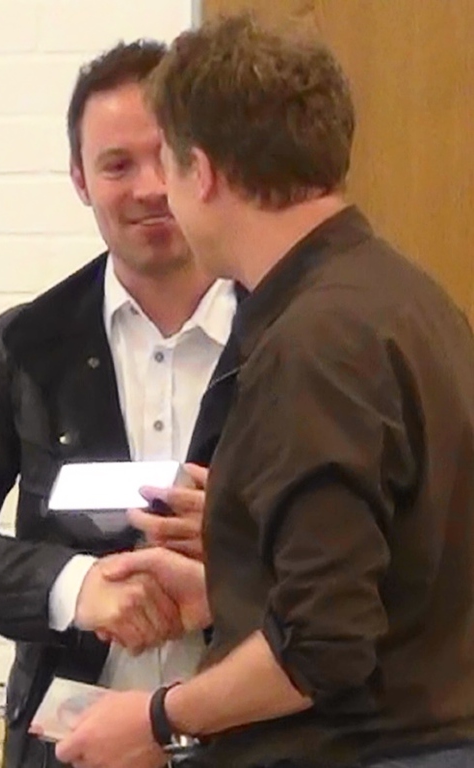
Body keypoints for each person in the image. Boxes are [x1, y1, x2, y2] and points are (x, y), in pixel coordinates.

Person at [55, 14, 474, 768]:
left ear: (202, 172)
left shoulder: (314, 343)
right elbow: (390, 576)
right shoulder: (407, 300)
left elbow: (322, 647)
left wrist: (154, 718)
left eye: (167, 164)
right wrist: (232, 587)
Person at [0, 40, 242, 768]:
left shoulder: (293, 334)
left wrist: (243, 544)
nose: (149, 188)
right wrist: (71, 586)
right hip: (72, 751)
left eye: (167, 157)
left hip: (264, 743)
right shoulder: (26, 347)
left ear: (205, 163)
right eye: (116, 165)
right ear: (79, 179)